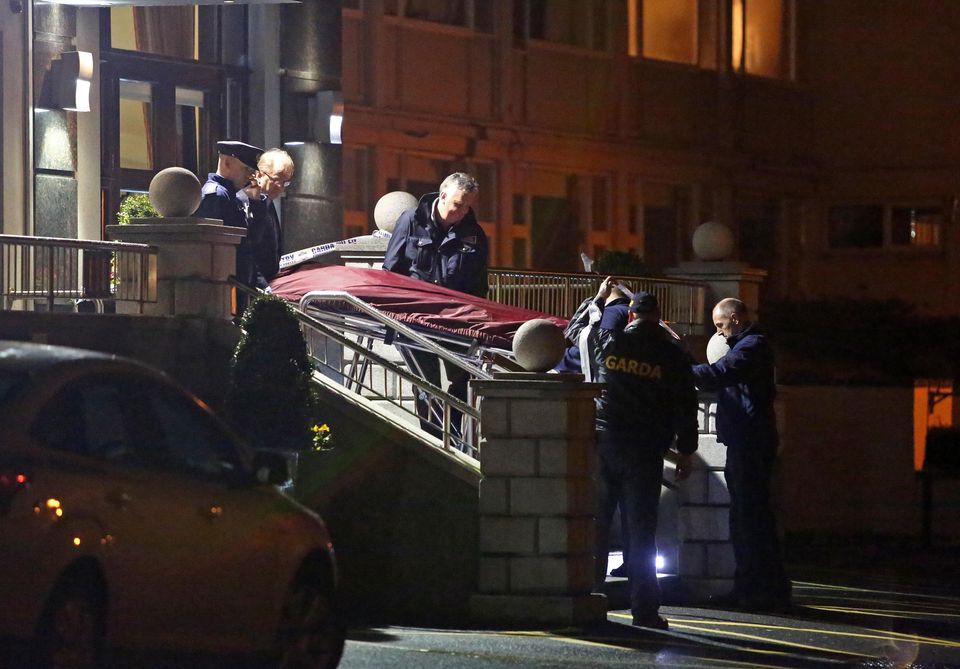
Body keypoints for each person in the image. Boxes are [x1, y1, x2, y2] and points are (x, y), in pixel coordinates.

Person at [591, 278, 699, 630]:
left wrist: (606, 301)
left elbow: (582, 335)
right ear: (659, 317)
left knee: (596, 525)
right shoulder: (673, 355)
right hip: (645, 451)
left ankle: (589, 599)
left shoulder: (612, 341)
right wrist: (686, 451)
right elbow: (686, 405)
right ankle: (645, 610)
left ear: (632, 314)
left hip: (605, 444)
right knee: (641, 531)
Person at [691, 297, 791, 612]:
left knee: (750, 519)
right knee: (749, 517)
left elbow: (721, 372)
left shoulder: (752, 346)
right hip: (747, 440)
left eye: (720, 326)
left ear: (734, 318)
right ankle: (757, 588)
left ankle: (758, 590)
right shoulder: (749, 344)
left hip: (750, 441)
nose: (719, 334)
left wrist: (678, 367)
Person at [382, 173, 488, 440]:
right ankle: (434, 440)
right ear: (442, 196)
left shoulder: (474, 234)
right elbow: (391, 272)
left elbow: (479, 286)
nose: (462, 212)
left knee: (463, 380)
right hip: (414, 321)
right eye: (457, 204)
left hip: (456, 322)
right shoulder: (410, 220)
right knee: (426, 385)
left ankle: (451, 437)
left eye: (468, 206)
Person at [194, 140, 263, 313]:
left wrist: (256, 202)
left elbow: (250, 242)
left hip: (237, 287)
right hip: (225, 291)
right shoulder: (216, 196)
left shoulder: (232, 196)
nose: (250, 176)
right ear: (227, 163)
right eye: (246, 169)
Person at [239, 148, 295, 289]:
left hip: (270, 280)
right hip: (253, 286)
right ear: (259, 174)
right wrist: (262, 285)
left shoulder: (268, 202)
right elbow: (247, 251)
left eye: (285, 183)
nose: (280, 187)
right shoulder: (243, 201)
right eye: (276, 180)